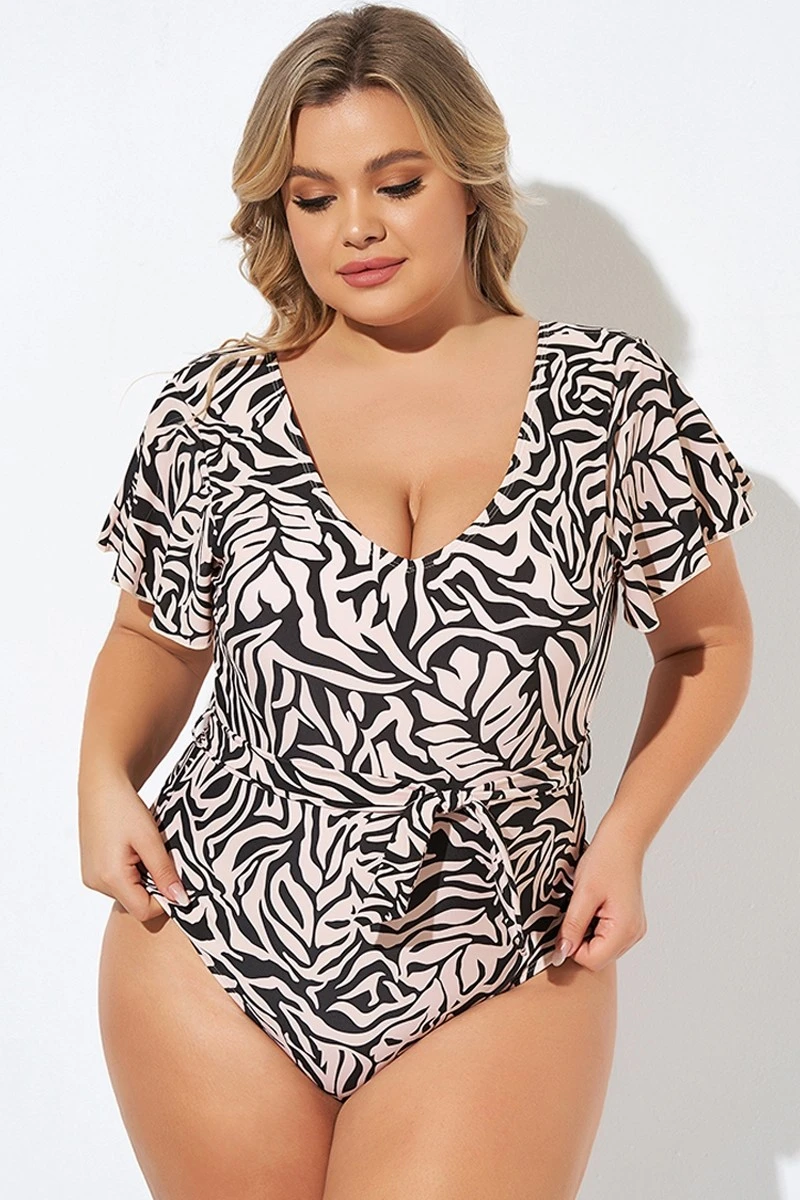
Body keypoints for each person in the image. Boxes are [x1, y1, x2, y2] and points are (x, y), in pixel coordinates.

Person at [78, 5, 757, 1198]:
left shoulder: (607, 398)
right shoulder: (214, 412)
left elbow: (705, 641)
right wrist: (99, 778)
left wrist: (625, 838)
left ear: (468, 182)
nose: (356, 227)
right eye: (312, 196)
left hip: (508, 942)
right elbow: (153, 631)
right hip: (217, 934)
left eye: (396, 183)